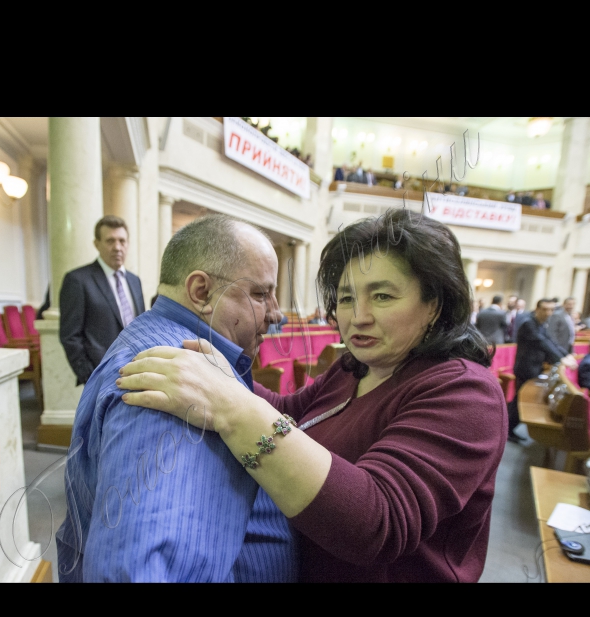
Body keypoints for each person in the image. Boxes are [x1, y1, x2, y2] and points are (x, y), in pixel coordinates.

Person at [119, 208, 507, 583]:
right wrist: (213, 373)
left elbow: (376, 524)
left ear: (434, 304)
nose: (359, 316)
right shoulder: (355, 367)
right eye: (347, 297)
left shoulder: (466, 393)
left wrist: (232, 405)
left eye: (383, 296)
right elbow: (293, 413)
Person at [56, 215, 296, 583]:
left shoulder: (171, 348)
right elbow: (136, 572)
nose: (275, 314)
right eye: (261, 295)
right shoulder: (178, 385)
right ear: (201, 292)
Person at [60, 216, 145, 386]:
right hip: (101, 376)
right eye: (110, 241)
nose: (117, 247)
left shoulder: (135, 281)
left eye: (122, 241)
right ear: (97, 244)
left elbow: (141, 326)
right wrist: (90, 376)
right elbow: (70, 336)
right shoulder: (78, 280)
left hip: (137, 372)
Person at [507, 299, 578, 444]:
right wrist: (561, 360)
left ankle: (509, 428)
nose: (548, 313)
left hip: (534, 366)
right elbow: (542, 342)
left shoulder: (540, 324)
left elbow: (551, 341)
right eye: (545, 309)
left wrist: (566, 355)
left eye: (551, 310)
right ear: (537, 309)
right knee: (520, 400)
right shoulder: (529, 323)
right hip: (525, 367)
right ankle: (508, 429)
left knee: (519, 400)